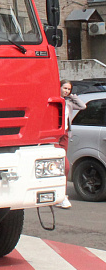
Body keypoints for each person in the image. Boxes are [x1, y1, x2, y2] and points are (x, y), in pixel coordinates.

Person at [58, 79, 86, 209]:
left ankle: (60, 194)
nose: (66, 91)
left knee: (63, 166)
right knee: (65, 166)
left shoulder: (68, 103)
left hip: (65, 135)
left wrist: (72, 96)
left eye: (69, 89)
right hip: (54, 136)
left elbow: (82, 106)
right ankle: (61, 196)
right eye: (64, 88)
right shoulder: (54, 100)